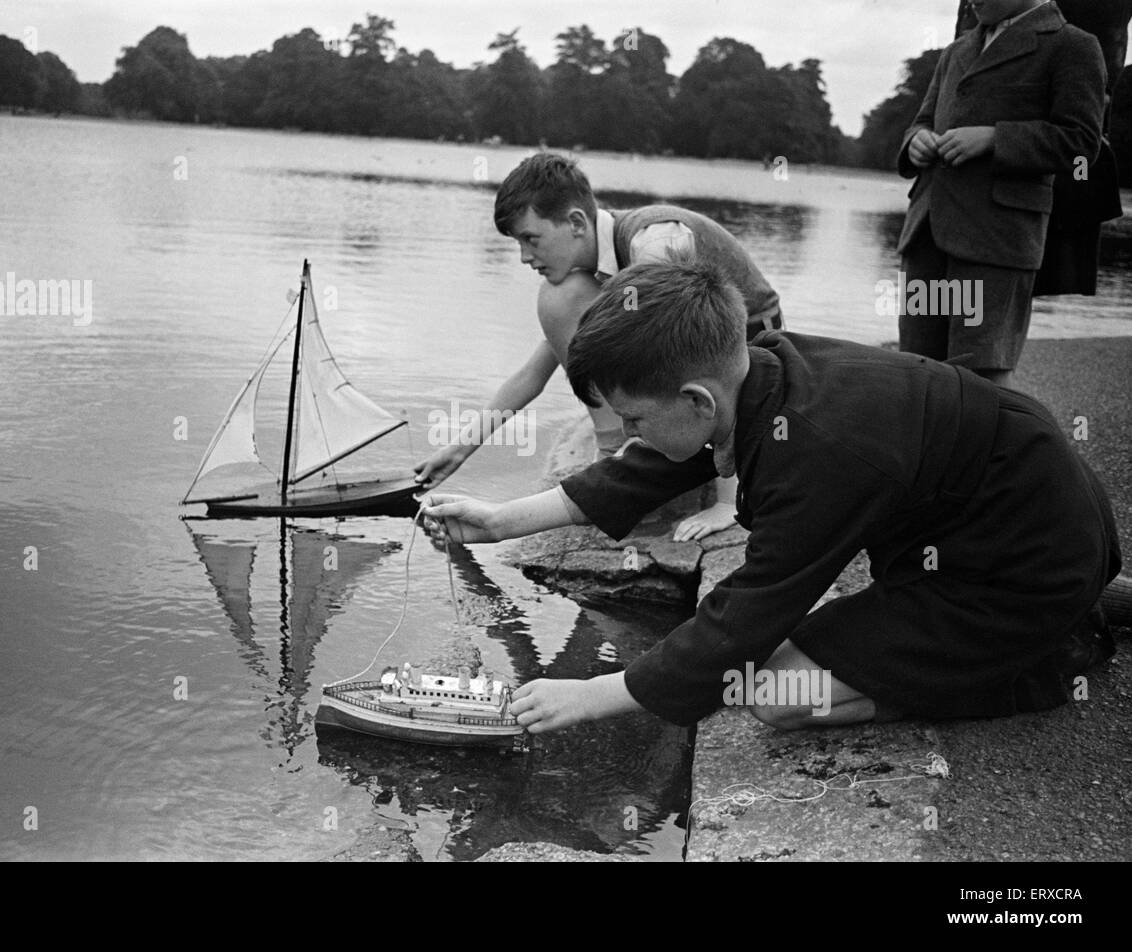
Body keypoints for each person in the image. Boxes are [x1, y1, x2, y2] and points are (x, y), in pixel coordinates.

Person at [422, 260, 1120, 734]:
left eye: (632, 418)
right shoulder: (761, 375)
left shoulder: (816, 452)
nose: (626, 435)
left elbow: (745, 617)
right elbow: (645, 471)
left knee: (773, 697)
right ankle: (1081, 596)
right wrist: (499, 520)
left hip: (1018, 566)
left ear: (696, 399)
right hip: (1041, 519)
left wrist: (595, 694)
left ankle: (1051, 654)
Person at [413, 153, 783, 542]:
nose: (524, 256)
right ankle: (617, 444)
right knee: (559, 298)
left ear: (575, 222)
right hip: (691, 348)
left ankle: (712, 479)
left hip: (749, 347)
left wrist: (730, 495)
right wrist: (459, 449)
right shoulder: (593, 272)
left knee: (595, 308)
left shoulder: (654, 241)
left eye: (530, 239)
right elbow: (533, 374)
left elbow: (704, 352)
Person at [896, 0, 1105, 390]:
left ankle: (1003, 453)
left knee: (982, 372)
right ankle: (932, 453)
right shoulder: (956, 50)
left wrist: (996, 138)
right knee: (917, 367)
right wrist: (914, 142)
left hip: (997, 238)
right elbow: (922, 121)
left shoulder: (1073, 45)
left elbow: (1081, 144)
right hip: (926, 231)